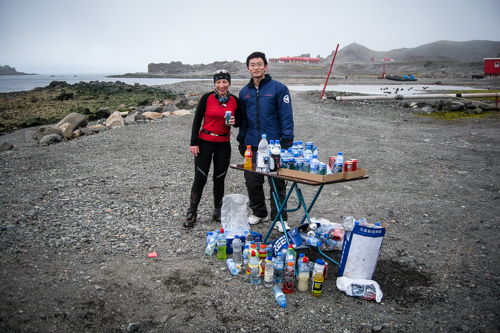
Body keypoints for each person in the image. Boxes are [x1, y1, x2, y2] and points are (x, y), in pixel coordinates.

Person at [237, 52, 294, 232]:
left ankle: (279, 217)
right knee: (252, 181)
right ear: (248, 68)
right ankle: (259, 212)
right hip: (253, 144)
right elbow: (244, 120)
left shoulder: (279, 88)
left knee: (276, 181)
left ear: (266, 67)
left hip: (275, 145)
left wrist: (287, 141)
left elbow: (286, 117)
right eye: (252, 65)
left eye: (259, 64)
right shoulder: (244, 92)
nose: (256, 67)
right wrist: (241, 139)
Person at [184, 70, 242, 228]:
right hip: (205, 142)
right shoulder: (206, 98)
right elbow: (197, 120)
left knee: (219, 178)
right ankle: (192, 211)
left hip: (223, 143)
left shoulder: (235, 101)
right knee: (200, 178)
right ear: (214, 84)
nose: (221, 85)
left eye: (224, 82)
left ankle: (217, 211)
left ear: (229, 83)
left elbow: (240, 121)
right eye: (218, 82)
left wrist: (235, 122)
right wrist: (193, 143)